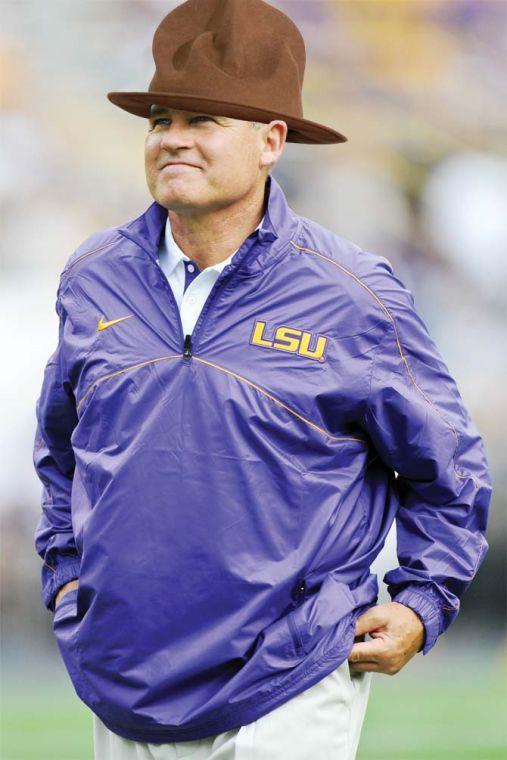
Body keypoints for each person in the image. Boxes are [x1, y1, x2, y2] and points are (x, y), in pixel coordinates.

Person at [32, 1, 493, 758]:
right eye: (160, 119)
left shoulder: (353, 294)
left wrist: (423, 600)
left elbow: (447, 466)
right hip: (122, 673)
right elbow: (61, 452)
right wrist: (67, 580)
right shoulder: (93, 277)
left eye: (204, 120)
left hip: (290, 672)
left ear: (271, 141)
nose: (173, 138)